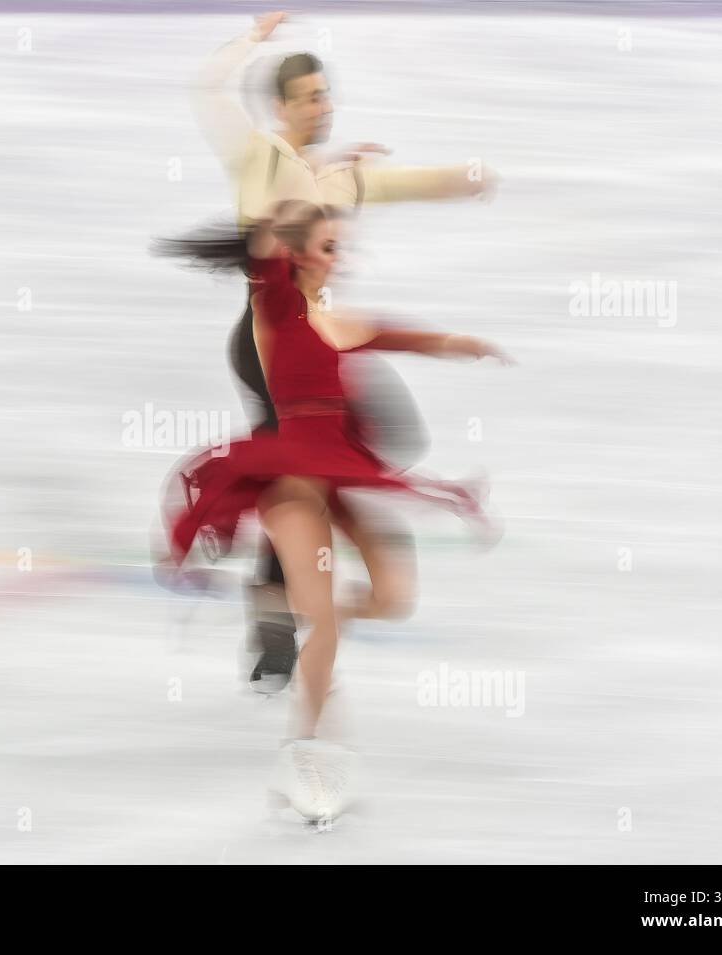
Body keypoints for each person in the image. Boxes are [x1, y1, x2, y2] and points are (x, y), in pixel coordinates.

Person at [158, 202, 510, 820]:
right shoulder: (278, 307)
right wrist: (293, 199)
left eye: (339, 247)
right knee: (323, 623)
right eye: (327, 246)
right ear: (294, 254)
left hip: (337, 474)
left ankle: (295, 611)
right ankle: (307, 754)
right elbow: (266, 251)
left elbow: (402, 337)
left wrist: (460, 344)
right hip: (293, 485)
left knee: (392, 597)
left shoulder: (337, 320)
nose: (337, 258)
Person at [191, 10, 499, 693]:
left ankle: (287, 580)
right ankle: (277, 601)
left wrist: (462, 176)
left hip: (321, 345)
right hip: (270, 342)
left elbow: (401, 183)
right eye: (310, 97)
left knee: (380, 437)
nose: (323, 106)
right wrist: (252, 42)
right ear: (281, 106)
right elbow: (207, 92)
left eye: (326, 94)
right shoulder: (259, 156)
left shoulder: (339, 177)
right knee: (303, 465)